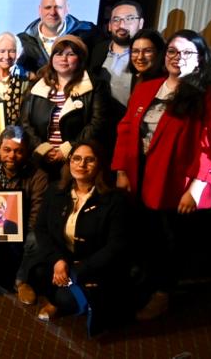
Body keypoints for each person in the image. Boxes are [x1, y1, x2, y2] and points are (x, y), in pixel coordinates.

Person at [112, 30, 211, 321]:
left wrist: (197, 188)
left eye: (187, 52)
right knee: (144, 234)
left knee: (168, 241)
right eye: (173, 51)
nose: (178, 58)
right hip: (141, 173)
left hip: (177, 182)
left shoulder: (208, 95)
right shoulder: (148, 87)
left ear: (200, 59)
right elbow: (126, 129)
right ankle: (143, 286)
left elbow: (210, 147)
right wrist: (122, 170)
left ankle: (162, 294)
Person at [29, 141, 130, 335]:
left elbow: (116, 245)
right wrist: (58, 261)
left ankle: (72, 299)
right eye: (76, 158)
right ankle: (62, 297)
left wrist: (79, 270)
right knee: (37, 273)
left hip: (94, 267)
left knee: (66, 298)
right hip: (63, 262)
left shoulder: (115, 199)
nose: (81, 164)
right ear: (69, 163)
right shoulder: (54, 190)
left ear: (99, 165)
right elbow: (41, 229)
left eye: (89, 160)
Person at [0, 126, 48, 299]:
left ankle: (21, 279)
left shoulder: (39, 176)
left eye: (18, 151)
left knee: (36, 238)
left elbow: (36, 217)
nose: (12, 156)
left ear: (26, 152)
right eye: (7, 150)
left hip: (23, 236)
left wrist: (12, 235)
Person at [20, 35, 109, 173]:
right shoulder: (36, 85)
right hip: (40, 159)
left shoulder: (94, 85)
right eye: (59, 53)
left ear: (80, 58)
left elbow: (97, 123)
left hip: (78, 160)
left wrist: (68, 149)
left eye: (70, 54)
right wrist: (43, 148)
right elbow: (25, 123)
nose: (63, 58)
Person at [17, 0, 98, 71]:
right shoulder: (21, 42)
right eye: (48, 7)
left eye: (58, 7)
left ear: (67, 9)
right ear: (40, 10)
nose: (52, 12)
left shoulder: (89, 33)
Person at [89, 0, 144, 109]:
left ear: (140, 23)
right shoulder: (97, 50)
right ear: (109, 25)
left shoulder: (146, 57)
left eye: (129, 19)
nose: (121, 25)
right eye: (116, 19)